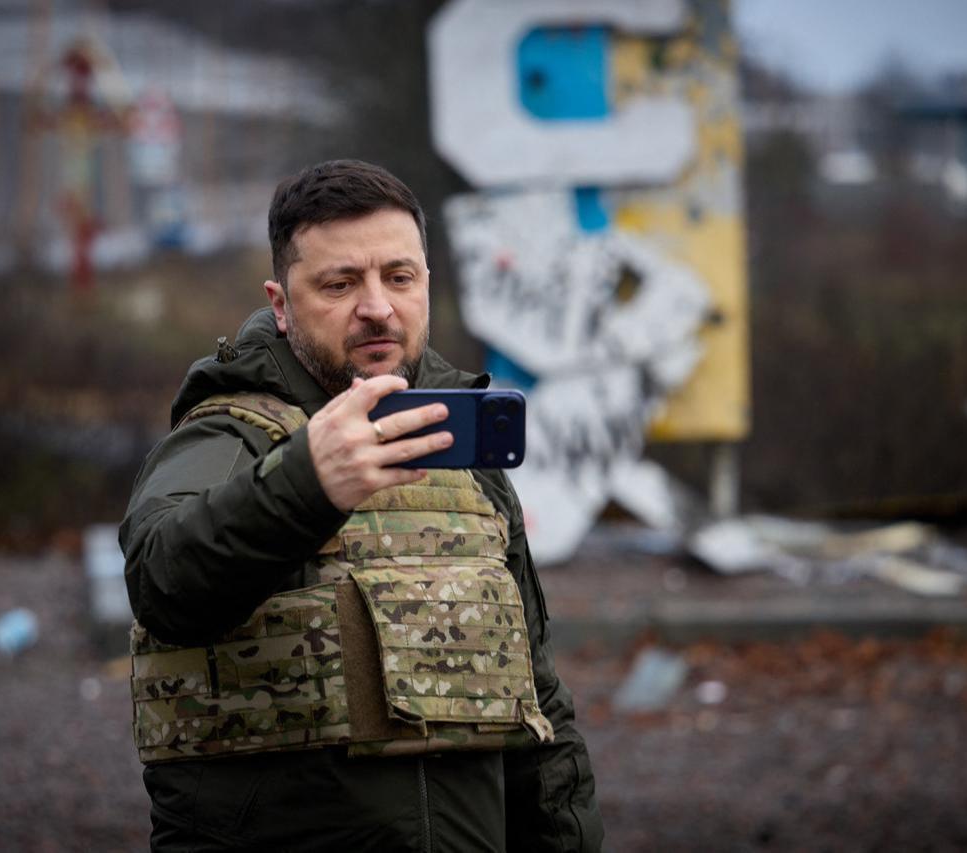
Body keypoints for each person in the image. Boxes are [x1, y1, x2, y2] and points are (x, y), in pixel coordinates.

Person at [120, 159, 604, 852]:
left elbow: (539, 711)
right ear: (281, 304)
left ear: (426, 286)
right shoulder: (229, 432)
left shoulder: (458, 449)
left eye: (398, 277)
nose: (377, 306)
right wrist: (308, 481)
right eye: (340, 283)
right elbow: (160, 577)